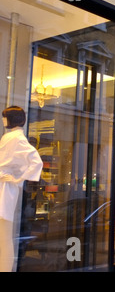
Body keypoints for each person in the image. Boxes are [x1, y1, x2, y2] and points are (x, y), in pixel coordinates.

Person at [0, 106, 43, 271]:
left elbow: (36, 161)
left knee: (4, 234)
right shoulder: (10, 136)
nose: (3, 121)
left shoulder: (16, 138)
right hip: (4, 185)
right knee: (3, 234)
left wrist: (17, 179)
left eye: (5, 117)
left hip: (5, 188)